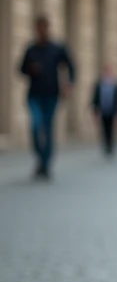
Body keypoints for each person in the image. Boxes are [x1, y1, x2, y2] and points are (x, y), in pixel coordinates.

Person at [18, 15, 76, 179]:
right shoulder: (31, 50)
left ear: (48, 28)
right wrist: (30, 69)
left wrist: (69, 84)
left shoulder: (57, 49)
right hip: (34, 96)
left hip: (52, 95)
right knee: (36, 126)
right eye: (39, 28)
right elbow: (20, 69)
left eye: (44, 27)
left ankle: (45, 164)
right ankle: (40, 157)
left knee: (48, 129)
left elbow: (71, 66)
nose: (41, 31)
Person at [91, 64, 117, 158]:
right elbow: (95, 98)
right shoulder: (99, 84)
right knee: (104, 129)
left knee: (111, 129)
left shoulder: (115, 85)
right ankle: (106, 146)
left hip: (113, 111)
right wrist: (95, 110)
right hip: (103, 110)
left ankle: (111, 146)